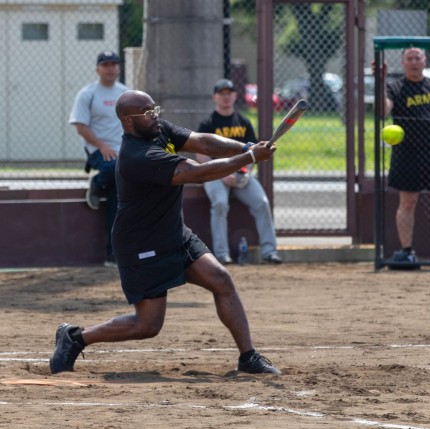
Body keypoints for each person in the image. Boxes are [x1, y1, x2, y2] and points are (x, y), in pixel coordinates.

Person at [50, 90, 281, 376]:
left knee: (221, 279)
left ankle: (248, 357)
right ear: (128, 121)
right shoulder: (139, 155)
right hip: (142, 246)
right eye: (147, 113)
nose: (155, 115)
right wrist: (249, 157)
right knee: (147, 326)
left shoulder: (159, 130)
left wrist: (244, 146)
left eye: (154, 109)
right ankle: (75, 338)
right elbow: (197, 173)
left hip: (175, 235)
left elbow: (202, 140)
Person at [380, 47, 430, 269]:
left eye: (418, 58)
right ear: (403, 63)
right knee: (408, 201)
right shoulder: (395, 87)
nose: (414, 62)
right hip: (406, 153)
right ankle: (406, 253)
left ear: (425, 61)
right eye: (409, 59)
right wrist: (380, 81)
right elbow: (383, 111)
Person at [195, 79, 282, 265]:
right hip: (215, 174)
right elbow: (200, 157)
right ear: (214, 97)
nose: (225, 97)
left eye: (229, 93)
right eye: (221, 93)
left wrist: (245, 172)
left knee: (262, 203)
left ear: (235, 96)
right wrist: (222, 173)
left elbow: (253, 152)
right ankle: (221, 254)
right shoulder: (207, 123)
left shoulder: (243, 122)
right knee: (219, 204)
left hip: (240, 174)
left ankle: (269, 252)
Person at [69, 50, 128, 267]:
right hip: (97, 151)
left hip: (123, 153)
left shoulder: (126, 93)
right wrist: (102, 146)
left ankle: (112, 256)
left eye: (114, 64)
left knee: (116, 199)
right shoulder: (88, 93)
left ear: (119, 68)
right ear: (97, 69)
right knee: (113, 169)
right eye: (106, 64)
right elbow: (80, 126)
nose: (110, 68)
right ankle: (96, 182)